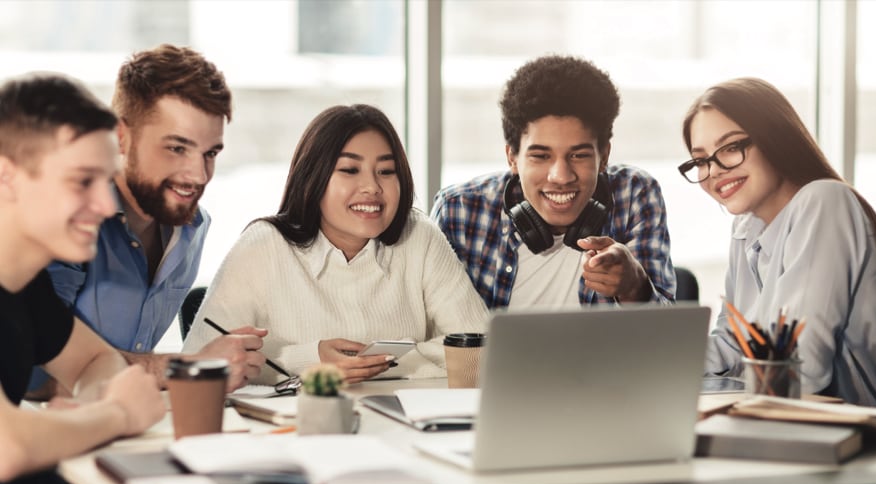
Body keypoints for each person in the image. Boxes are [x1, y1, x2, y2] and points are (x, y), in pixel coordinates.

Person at [182, 104, 487, 383]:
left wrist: (376, 366)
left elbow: (481, 348)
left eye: (386, 171)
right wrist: (311, 361)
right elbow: (201, 363)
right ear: (314, 178)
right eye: (349, 170)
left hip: (402, 427)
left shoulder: (419, 236)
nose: (372, 187)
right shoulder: (262, 246)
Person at [44, 44, 265, 392]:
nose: (198, 175)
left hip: (129, 420)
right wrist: (185, 367)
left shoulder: (193, 228)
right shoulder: (64, 216)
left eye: (210, 153)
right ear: (120, 137)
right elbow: (39, 367)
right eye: (177, 148)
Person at [0, 73, 165, 484]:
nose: (103, 202)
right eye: (82, 181)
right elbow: (7, 446)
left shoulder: (24, 284)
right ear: (6, 175)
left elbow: (95, 358)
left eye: (107, 179)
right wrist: (116, 415)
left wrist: (92, 402)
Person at [680, 77, 876, 407]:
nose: (714, 171)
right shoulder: (746, 228)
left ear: (774, 138)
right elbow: (735, 345)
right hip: (797, 425)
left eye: (731, 148)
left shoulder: (824, 201)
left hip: (864, 437)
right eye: (701, 160)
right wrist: (657, 367)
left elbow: (801, 372)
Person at [431, 55, 675, 309]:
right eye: (540, 156)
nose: (561, 176)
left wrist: (634, 286)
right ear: (512, 158)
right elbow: (433, 330)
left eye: (578, 155)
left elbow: (669, 339)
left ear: (604, 156)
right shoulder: (458, 209)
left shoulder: (635, 194)